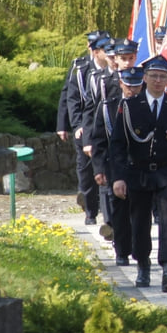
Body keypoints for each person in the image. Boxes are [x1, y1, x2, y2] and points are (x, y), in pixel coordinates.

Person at [110, 55, 167, 291]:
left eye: (163, 76)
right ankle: (143, 264)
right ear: (145, 78)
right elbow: (118, 144)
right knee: (140, 222)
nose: (158, 81)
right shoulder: (129, 106)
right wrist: (118, 177)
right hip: (137, 172)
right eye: (154, 76)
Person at [91, 65, 144, 265]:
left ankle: (140, 251)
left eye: (137, 86)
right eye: (129, 86)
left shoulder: (148, 106)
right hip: (116, 167)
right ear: (121, 84)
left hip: (141, 167)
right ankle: (122, 251)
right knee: (120, 211)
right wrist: (98, 169)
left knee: (140, 212)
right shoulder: (108, 108)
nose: (132, 90)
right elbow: (98, 141)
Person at [66, 30, 110, 224]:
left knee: (109, 171)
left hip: (110, 130)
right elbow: (72, 99)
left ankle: (110, 218)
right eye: (102, 49)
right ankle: (90, 211)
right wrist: (76, 126)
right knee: (86, 173)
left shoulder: (116, 72)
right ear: (94, 51)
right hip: (87, 128)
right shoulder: (82, 70)